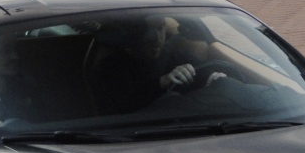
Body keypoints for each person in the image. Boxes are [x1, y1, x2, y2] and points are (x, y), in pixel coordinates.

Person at [88, 17, 221, 114]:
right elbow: (121, 105)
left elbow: (205, 71)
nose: (157, 39)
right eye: (148, 31)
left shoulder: (175, 54)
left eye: (160, 27)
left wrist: (216, 78)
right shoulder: (110, 67)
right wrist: (162, 82)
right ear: (132, 33)